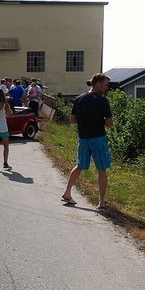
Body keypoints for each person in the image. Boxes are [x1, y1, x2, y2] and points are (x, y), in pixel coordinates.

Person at [61, 73, 113, 210]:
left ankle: (67, 193)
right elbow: (109, 123)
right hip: (98, 138)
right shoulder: (102, 101)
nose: (106, 88)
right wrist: (99, 121)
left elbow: (72, 120)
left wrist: (85, 121)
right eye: (106, 85)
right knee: (101, 169)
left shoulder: (79, 99)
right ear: (98, 85)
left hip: (83, 138)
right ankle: (101, 202)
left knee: (79, 166)